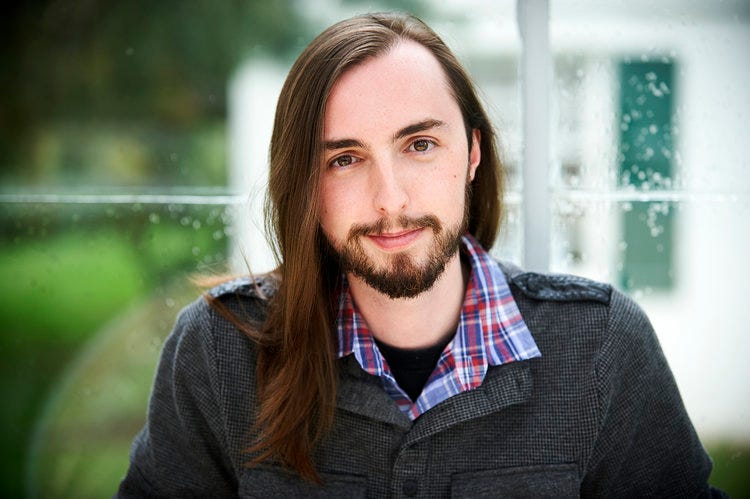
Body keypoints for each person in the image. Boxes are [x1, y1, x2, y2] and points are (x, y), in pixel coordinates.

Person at [118, 12, 724, 498]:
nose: (391, 199)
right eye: (345, 159)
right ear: (305, 185)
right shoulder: (221, 352)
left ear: (472, 154)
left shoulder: (599, 345)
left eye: (421, 144)